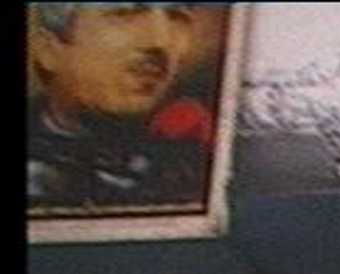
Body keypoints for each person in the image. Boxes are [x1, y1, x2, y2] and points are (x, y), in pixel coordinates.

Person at [27, 3, 215, 211]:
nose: (160, 41)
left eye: (176, 16)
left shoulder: (192, 158)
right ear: (49, 51)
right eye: (125, 13)